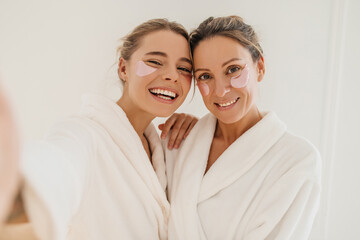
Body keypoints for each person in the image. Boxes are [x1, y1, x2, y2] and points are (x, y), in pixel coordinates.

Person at [0, 18, 197, 240]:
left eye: (184, 68)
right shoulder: (84, 133)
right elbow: (58, 164)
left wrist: (203, 132)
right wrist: (17, 187)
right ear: (124, 68)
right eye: (154, 62)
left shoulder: (165, 149)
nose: (172, 75)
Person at [162, 16, 321, 239]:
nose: (220, 91)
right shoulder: (179, 144)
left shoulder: (296, 160)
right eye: (205, 76)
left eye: (233, 69)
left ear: (260, 67)